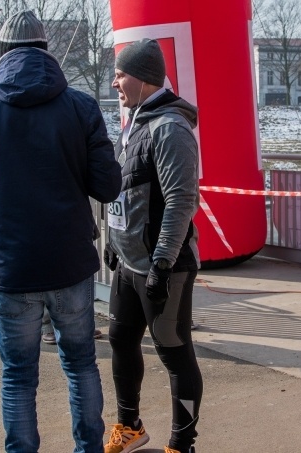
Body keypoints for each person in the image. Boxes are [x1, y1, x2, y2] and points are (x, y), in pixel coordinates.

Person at [0, 10, 121, 453]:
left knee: (17, 375)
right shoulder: (82, 106)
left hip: (11, 265)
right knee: (82, 363)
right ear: (46, 50)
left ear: (1, 54)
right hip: (69, 261)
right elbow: (107, 185)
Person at [103, 39, 202, 453]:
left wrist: (162, 262)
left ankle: (182, 444)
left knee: (174, 353)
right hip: (129, 261)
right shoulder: (136, 120)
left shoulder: (170, 127)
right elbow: (127, 189)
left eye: (120, 74)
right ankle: (130, 428)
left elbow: (182, 198)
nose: (114, 82)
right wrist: (113, 239)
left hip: (164, 265)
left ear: (142, 77)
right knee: (121, 340)